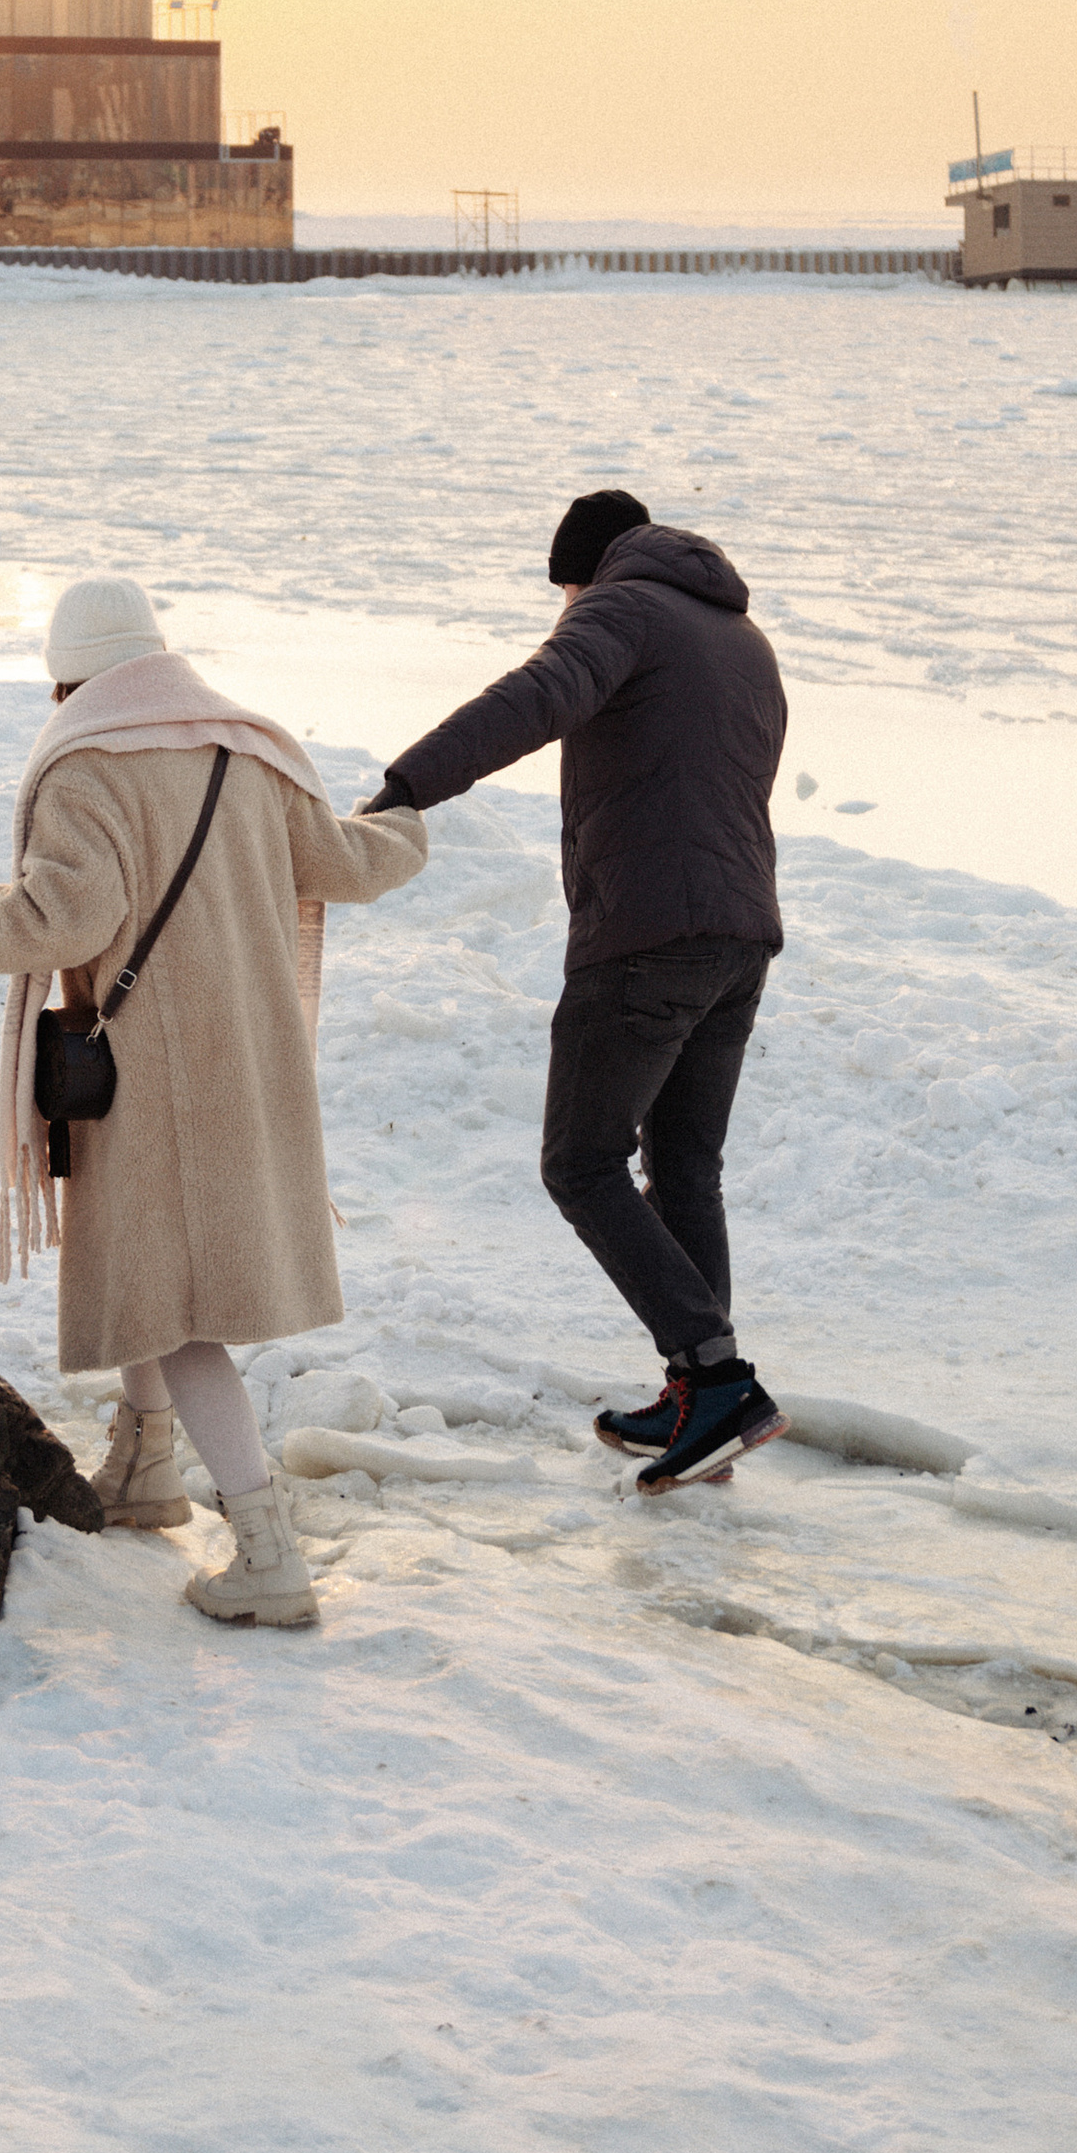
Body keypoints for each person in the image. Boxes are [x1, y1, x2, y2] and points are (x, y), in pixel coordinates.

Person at [0, 575, 427, 1626]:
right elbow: (347, 862)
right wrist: (412, 811)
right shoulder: (244, 753)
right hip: (252, 1071)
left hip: (156, 1081)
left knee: (181, 1313)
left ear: (68, 679)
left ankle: (265, 1551)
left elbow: (62, 917)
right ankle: (142, 1468)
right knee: (150, 1269)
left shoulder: (89, 766)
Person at [360, 489, 789, 1496]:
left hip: (644, 935)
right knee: (684, 1172)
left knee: (581, 1162)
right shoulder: (741, 637)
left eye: (564, 594)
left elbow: (535, 697)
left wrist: (403, 789)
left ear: (584, 572)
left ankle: (719, 1380)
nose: (563, 612)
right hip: (739, 935)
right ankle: (698, 1398)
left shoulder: (620, 609)